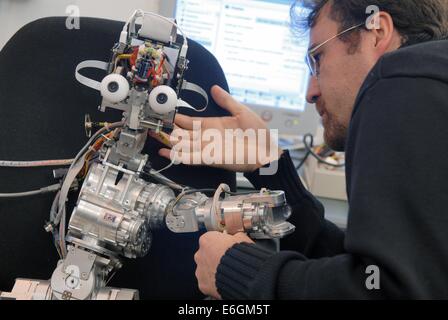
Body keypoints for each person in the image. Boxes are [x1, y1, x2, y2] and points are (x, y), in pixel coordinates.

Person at [152, 0, 448, 299]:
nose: (310, 93)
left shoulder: (402, 81)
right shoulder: (431, 87)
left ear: (377, 32)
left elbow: (384, 290)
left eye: (317, 58)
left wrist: (237, 270)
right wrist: (269, 165)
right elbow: (369, 270)